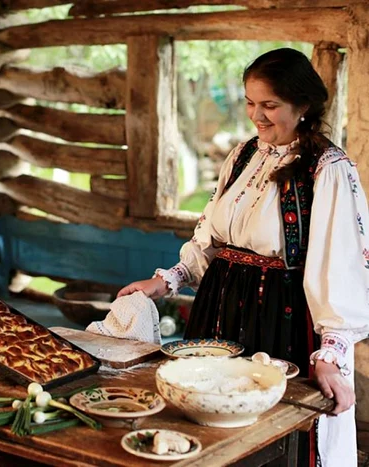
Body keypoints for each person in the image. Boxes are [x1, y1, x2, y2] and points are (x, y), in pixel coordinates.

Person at [118, 48, 368, 466]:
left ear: (303, 105)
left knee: (272, 434)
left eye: (270, 105)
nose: (257, 115)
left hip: (282, 318)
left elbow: (339, 265)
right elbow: (211, 237)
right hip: (219, 309)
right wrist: (168, 280)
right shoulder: (242, 156)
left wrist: (330, 355)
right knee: (209, 422)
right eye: (251, 103)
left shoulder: (327, 169)